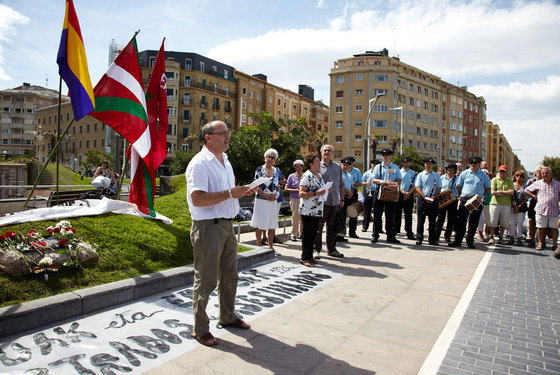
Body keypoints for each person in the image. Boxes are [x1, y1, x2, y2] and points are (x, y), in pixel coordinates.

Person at [185, 120, 254, 347]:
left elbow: (228, 194)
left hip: (226, 225)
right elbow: (198, 198)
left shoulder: (225, 161)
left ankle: (227, 316)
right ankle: (200, 329)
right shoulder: (199, 163)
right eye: (222, 133)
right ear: (208, 138)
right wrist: (229, 193)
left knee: (230, 275)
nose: (228, 136)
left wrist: (240, 192)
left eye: (228, 132)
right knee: (205, 279)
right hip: (207, 227)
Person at [448, 156, 491, 249]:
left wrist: (481, 194)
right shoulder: (464, 173)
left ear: (479, 164)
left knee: (474, 221)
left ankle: (470, 241)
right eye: (471, 163)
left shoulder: (483, 175)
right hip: (465, 198)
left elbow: (488, 187)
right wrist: (462, 193)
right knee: (461, 221)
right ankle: (458, 241)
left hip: (477, 200)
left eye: (475, 163)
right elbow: (458, 185)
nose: (473, 165)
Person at [313, 144, 345, 258]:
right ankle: (316, 250)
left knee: (332, 227)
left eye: (329, 150)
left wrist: (342, 198)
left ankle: (332, 249)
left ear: (332, 153)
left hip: (335, 201)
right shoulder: (316, 166)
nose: (327, 152)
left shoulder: (337, 167)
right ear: (321, 153)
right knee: (318, 227)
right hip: (321, 202)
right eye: (325, 150)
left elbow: (341, 184)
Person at [298, 153, 327, 267]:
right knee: (307, 234)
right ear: (310, 163)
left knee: (314, 233)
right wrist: (316, 193)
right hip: (308, 210)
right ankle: (304, 257)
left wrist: (326, 190)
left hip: (317, 209)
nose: (319, 163)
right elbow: (301, 193)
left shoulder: (319, 175)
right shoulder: (307, 176)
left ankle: (310, 255)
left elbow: (321, 189)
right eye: (317, 161)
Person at [251, 148, 282, 250]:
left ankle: (271, 246)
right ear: (265, 158)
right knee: (259, 222)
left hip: (272, 200)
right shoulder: (259, 169)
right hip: (261, 200)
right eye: (269, 157)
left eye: (273, 157)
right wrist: (266, 196)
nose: (270, 159)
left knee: (272, 222)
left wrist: (276, 195)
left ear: (275, 160)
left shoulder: (276, 170)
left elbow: (278, 186)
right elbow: (256, 186)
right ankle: (259, 245)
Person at [370, 148, 402, 244]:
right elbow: (374, 179)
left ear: (390, 156)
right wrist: (383, 182)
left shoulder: (395, 167)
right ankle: (375, 235)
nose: (385, 157)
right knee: (377, 215)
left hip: (391, 192)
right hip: (379, 191)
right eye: (384, 155)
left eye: (387, 155)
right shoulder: (378, 167)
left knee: (390, 216)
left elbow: (399, 180)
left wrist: (392, 183)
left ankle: (390, 236)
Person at [524, 166, 560, 251]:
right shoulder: (538, 183)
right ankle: (540, 243)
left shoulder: (557, 184)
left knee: (554, 228)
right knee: (541, 227)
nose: (544, 175)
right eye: (543, 173)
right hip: (541, 209)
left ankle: (555, 245)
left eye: (546, 173)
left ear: (551, 174)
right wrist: (533, 196)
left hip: (554, 209)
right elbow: (526, 190)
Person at [414, 157, 442, 245]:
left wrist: (434, 197)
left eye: (430, 164)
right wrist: (423, 196)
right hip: (423, 199)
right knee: (420, 220)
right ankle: (419, 238)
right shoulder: (420, 175)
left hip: (433, 200)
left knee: (432, 220)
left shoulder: (436, 175)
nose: (428, 165)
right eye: (427, 163)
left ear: (432, 165)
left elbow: (439, 188)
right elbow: (417, 187)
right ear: (424, 164)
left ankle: (432, 239)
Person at [487, 165, 514, 244]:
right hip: (495, 203)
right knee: (493, 220)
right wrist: (506, 192)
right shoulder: (494, 180)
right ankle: (491, 236)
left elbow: (512, 192)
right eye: (501, 171)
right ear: (498, 172)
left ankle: (501, 237)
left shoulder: (510, 181)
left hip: (506, 204)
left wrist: (500, 192)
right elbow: (493, 192)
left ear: (506, 172)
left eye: (504, 171)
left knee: (504, 221)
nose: (502, 173)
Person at [435, 163, 459, 242]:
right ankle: (437, 235)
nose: (449, 170)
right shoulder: (442, 178)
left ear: (454, 170)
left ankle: (447, 236)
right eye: (448, 169)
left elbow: (460, 189)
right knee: (440, 218)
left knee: (451, 219)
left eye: (451, 169)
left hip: (453, 200)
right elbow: (438, 187)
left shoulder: (457, 178)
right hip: (442, 199)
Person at [396, 157, 416, 240]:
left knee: (408, 215)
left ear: (410, 163)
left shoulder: (413, 173)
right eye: (404, 162)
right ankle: (396, 230)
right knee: (397, 213)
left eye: (408, 162)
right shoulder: (399, 172)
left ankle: (409, 232)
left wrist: (409, 193)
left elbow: (415, 184)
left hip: (409, 195)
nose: (406, 164)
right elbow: (397, 184)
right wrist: (403, 192)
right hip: (400, 194)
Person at [336, 158, 356, 242]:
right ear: (340, 164)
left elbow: (351, 185)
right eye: (344, 165)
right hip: (341, 197)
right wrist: (348, 192)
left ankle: (342, 234)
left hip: (348, 197)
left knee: (344, 217)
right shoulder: (338, 174)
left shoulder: (349, 175)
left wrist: (351, 192)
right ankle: (337, 235)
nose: (345, 166)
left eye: (347, 165)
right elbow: (340, 186)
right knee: (339, 217)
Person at [285, 160, 304, 241]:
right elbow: (286, 188)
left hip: (304, 199)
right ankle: (294, 233)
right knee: (295, 217)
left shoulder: (306, 176)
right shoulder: (291, 176)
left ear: (302, 167)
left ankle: (302, 234)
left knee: (303, 217)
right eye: (296, 166)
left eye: (299, 166)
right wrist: (296, 190)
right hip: (294, 198)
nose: (297, 168)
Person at [509, 170, 528, 246]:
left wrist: (519, 206)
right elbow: (509, 196)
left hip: (521, 207)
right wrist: (514, 206)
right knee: (511, 223)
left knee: (520, 224)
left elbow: (526, 198)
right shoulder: (512, 185)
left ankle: (519, 239)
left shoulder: (525, 186)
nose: (519, 177)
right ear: (515, 176)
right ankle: (511, 238)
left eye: (521, 176)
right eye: (518, 175)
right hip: (512, 207)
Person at [525, 166, 542, 247]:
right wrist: (533, 196)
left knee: (541, 223)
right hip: (533, 202)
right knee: (532, 221)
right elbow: (525, 190)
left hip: (542, 203)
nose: (539, 172)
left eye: (541, 171)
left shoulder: (544, 182)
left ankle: (540, 240)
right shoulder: (531, 181)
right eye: (538, 171)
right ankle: (532, 239)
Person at [361, 159, 380, 233]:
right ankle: (365, 226)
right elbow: (361, 181)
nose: (374, 165)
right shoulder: (367, 173)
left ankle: (378, 228)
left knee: (377, 211)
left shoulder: (379, 173)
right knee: (367, 210)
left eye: (376, 164)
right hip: (368, 192)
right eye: (373, 163)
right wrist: (366, 183)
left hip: (377, 192)